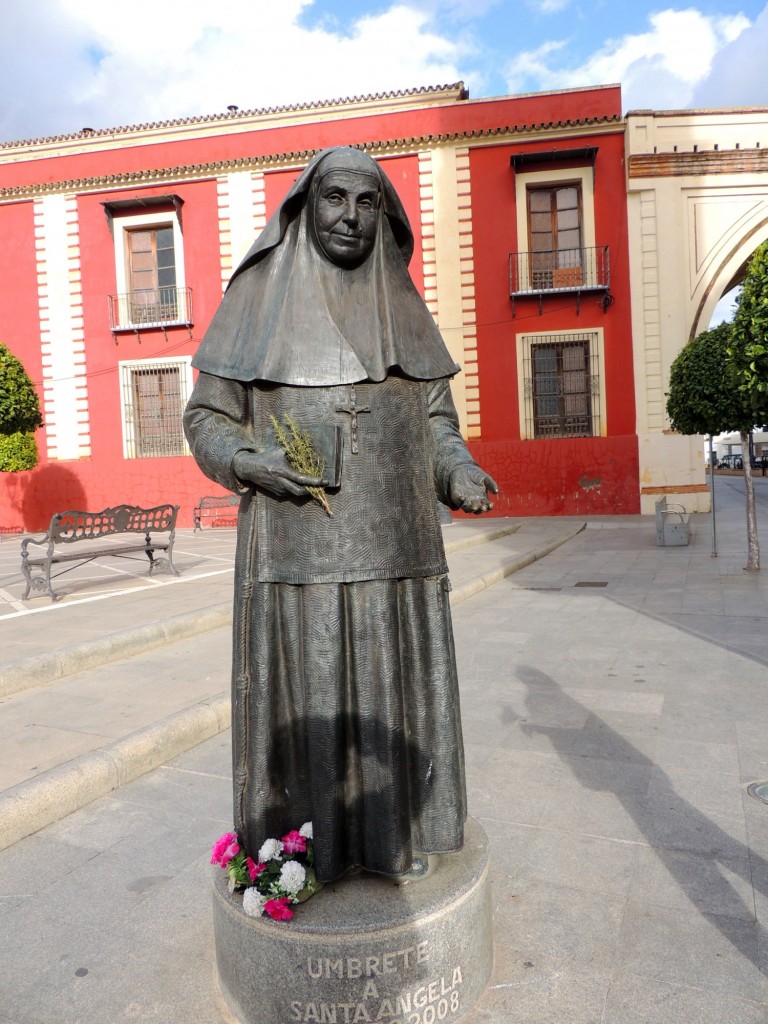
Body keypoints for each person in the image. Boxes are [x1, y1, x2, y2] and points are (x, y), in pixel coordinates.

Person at [184, 147, 497, 883]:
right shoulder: (256, 300)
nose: (350, 216)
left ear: (383, 215)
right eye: (335, 198)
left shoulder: (405, 308)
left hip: (395, 551)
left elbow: (436, 420)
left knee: (392, 699)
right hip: (297, 551)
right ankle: (306, 852)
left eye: (366, 202)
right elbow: (205, 417)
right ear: (306, 206)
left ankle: (392, 842)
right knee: (314, 695)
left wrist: (458, 470)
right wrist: (247, 460)